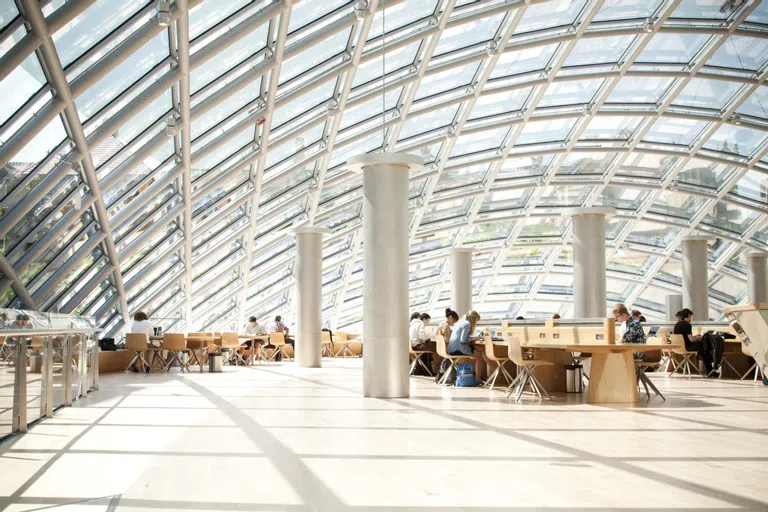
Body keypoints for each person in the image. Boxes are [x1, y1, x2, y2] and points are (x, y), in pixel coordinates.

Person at [448, 310, 487, 381]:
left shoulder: (461, 323)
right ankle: (478, 379)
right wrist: (473, 339)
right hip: (458, 349)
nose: (476, 323)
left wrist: (472, 338)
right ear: (473, 319)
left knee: (479, 349)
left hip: (452, 349)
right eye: (476, 321)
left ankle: (478, 378)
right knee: (480, 358)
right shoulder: (467, 324)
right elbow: (463, 340)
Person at [674, 308, 711, 374]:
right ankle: (708, 369)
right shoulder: (687, 324)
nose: (691, 318)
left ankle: (704, 369)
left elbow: (687, 337)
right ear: (688, 315)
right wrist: (701, 337)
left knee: (702, 346)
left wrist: (696, 336)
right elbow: (692, 340)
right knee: (705, 346)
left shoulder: (677, 324)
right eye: (691, 316)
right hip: (687, 347)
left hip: (678, 348)